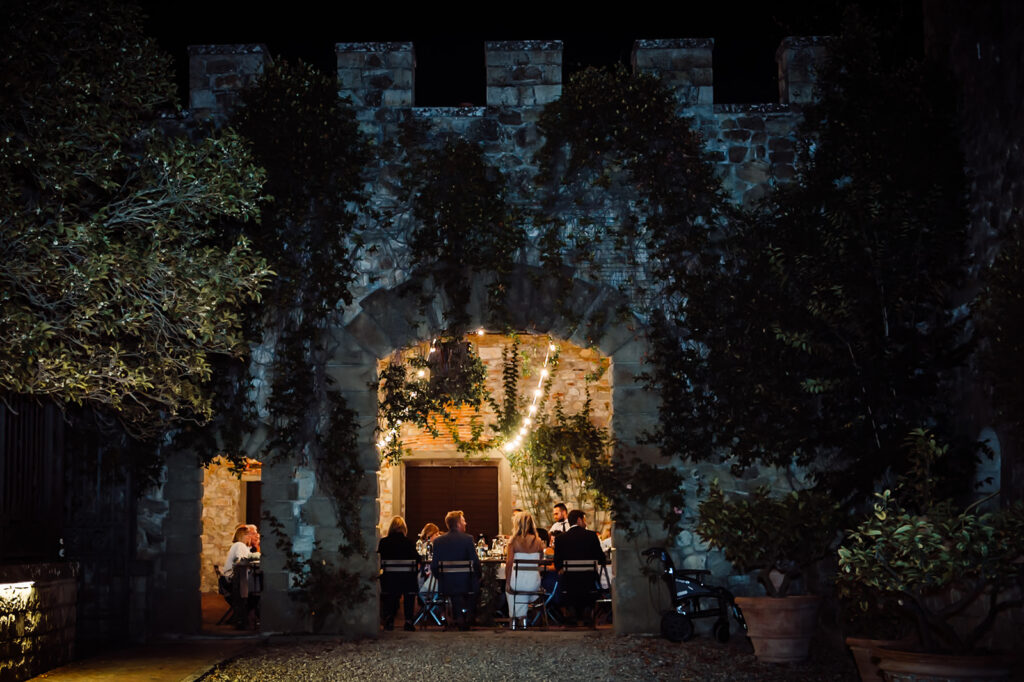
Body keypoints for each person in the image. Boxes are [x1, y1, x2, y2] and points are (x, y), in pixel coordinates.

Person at [553, 509, 606, 625]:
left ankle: (570, 612)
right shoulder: (591, 536)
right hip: (589, 581)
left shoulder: (560, 538)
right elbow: (602, 558)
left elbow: (557, 563)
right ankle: (588, 612)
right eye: (584, 520)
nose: (585, 523)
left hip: (569, 583)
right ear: (579, 520)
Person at [430, 510, 480, 630]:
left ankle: (459, 617)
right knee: (475, 584)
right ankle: (468, 615)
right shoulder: (468, 539)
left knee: (455, 589)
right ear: (458, 524)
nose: (466, 523)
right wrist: (478, 576)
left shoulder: (438, 541)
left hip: (446, 584)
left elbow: (434, 566)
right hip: (466, 583)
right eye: (463, 521)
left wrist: (441, 577)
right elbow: (476, 563)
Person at [504, 511, 546, 629]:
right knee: (525, 587)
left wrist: (507, 582)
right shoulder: (538, 542)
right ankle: (523, 620)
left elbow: (509, 564)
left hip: (518, 583)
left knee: (510, 589)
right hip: (534, 584)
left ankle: (514, 619)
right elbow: (540, 564)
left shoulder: (513, 542)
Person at [378, 516, 419, 632]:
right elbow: (417, 559)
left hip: (389, 581)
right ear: (404, 529)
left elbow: (379, 561)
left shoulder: (384, 543)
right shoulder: (409, 543)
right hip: (407, 582)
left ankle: (389, 618)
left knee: (390, 590)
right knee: (409, 591)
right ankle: (408, 620)